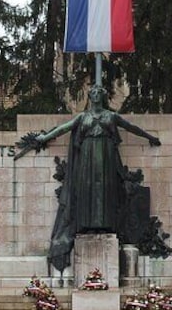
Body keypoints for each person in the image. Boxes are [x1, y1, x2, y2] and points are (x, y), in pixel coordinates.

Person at [21, 85, 161, 271]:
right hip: (87, 156)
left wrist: (150, 136)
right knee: (88, 190)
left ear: (102, 97)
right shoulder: (83, 117)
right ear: (90, 96)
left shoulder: (111, 116)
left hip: (106, 156)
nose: (95, 96)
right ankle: (88, 225)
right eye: (93, 93)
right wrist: (45, 137)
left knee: (104, 190)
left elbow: (131, 127)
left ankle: (105, 225)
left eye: (98, 93)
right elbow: (64, 128)